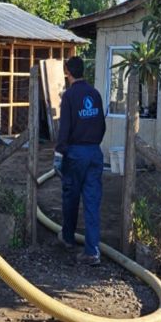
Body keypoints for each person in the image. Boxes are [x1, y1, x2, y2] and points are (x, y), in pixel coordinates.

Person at [54, 56, 106, 266]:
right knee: (92, 201)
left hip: (75, 154)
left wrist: (60, 153)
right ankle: (92, 251)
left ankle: (68, 238)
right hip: (94, 152)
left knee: (71, 197)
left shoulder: (69, 96)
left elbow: (64, 128)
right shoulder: (95, 94)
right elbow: (102, 126)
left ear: (67, 71)